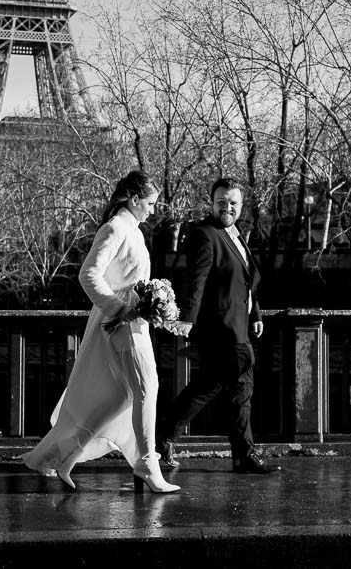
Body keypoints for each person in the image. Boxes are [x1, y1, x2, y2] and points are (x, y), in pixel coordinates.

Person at [21, 170, 180, 494]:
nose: (152, 209)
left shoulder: (131, 229)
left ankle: (61, 456)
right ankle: (147, 464)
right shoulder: (116, 228)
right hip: (123, 323)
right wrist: (122, 308)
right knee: (148, 388)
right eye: (149, 203)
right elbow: (88, 275)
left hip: (132, 322)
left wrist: (151, 301)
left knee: (120, 395)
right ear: (134, 200)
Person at [156, 177, 278, 475]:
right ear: (211, 203)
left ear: (241, 206)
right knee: (215, 386)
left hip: (240, 326)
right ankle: (161, 437)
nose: (228, 207)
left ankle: (241, 456)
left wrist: (257, 314)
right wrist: (187, 318)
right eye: (222, 201)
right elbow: (195, 280)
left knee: (238, 392)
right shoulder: (204, 234)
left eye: (234, 202)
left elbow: (248, 281)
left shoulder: (234, 234)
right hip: (221, 329)